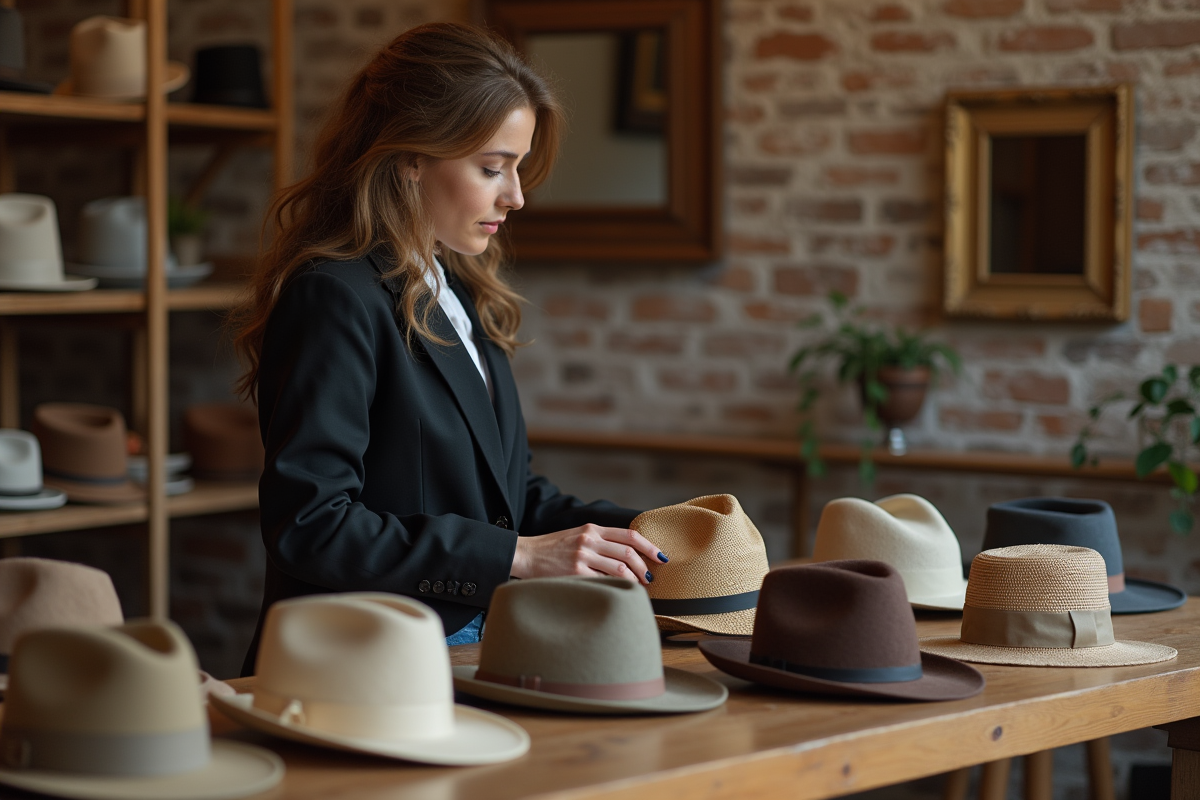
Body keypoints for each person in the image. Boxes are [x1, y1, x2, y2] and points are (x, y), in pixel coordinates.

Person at [232, 22, 666, 675]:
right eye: (493, 168)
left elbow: (506, 497)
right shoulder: (334, 298)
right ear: (410, 157)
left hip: (470, 647)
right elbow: (311, 525)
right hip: (365, 666)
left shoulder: (458, 289)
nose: (515, 196)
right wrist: (518, 557)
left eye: (516, 169)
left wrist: (657, 528)